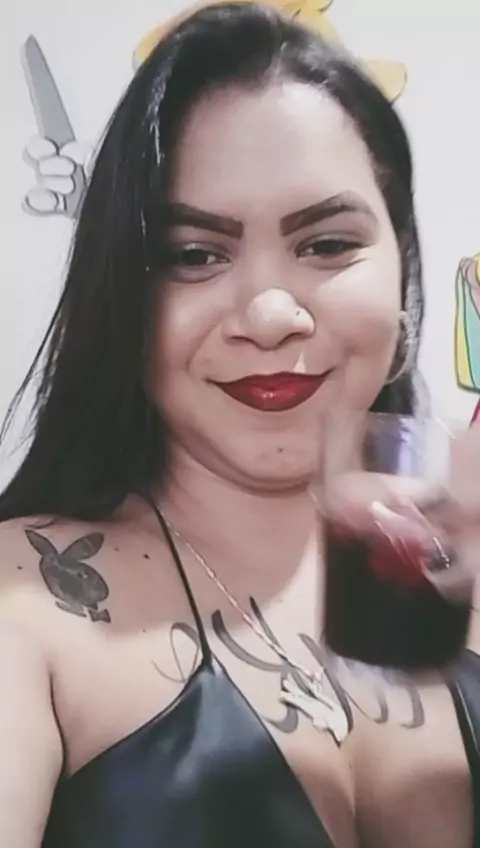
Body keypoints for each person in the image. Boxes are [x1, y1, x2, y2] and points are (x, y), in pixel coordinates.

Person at [0, 3, 479, 846]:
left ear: (401, 267)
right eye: (195, 255)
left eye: (327, 244)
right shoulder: (25, 606)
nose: (268, 315)